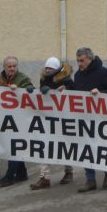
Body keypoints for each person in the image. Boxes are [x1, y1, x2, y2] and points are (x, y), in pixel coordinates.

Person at [0, 56, 34, 187]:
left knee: (14, 146)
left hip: (19, 120)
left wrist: (22, 89)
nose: (12, 68)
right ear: (4, 67)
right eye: (9, 66)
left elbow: (31, 89)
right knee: (13, 146)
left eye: (14, 66)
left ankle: (10, 176)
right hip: (4, 120)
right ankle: (22, 174)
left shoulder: (23, 78)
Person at [73, 47, 107, 193]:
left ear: (90, 59)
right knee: (87, 149)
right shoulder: (77, 75)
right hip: (85, 119)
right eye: (77, 61)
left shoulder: (103, 72)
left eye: (82, 61)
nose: (79, 64)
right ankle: (90, 179)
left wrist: (100, 93)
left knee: (102, 147)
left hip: (102, 119)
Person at [30, 57, 75, 190]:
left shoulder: (66, 80)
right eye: (46, 67)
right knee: (44, 146)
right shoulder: (44, 78)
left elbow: (74, 93)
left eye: (50, 68)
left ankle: (68, 171)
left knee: (65, 146)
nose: (47, 70)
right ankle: (44, 177)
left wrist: (65, 89)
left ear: (56, 69)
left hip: (63, 118)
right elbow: (42, 95)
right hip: (48, 118)